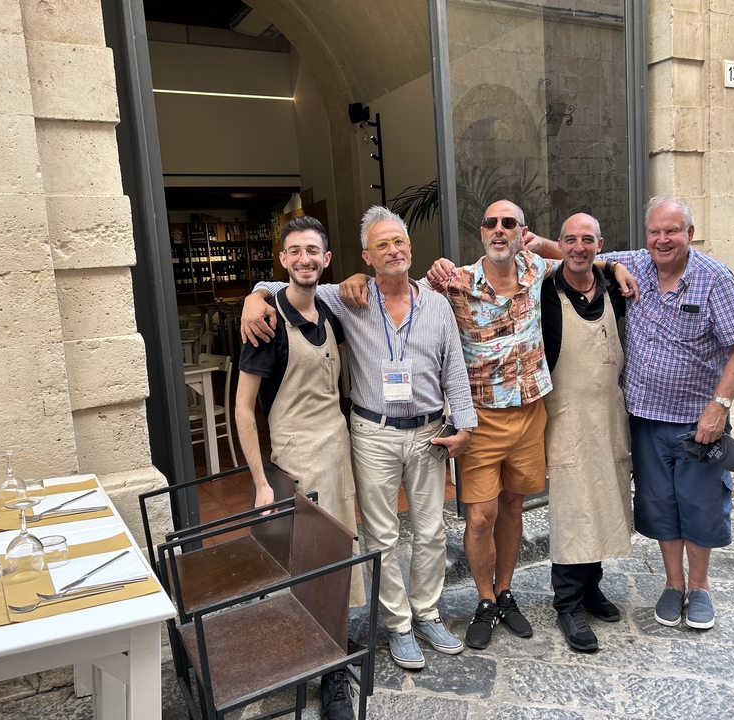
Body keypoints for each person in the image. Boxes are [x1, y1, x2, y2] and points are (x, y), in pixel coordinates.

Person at [343, 200, 635, 651]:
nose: (499, 230)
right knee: (480, 516)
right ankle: (483, 599)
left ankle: (504, 592)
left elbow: (577, 253)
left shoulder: (539, 269)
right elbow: (394, 278)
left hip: (531, 412)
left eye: (509, 224)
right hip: (479, 419)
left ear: (523, 232)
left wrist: (611, 264)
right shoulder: (450, 281)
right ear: (480, 232)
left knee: (514, 507)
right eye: (490, 223)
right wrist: (360, 277)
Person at [239, 206, 477, 672]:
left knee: (431, 530)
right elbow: (293, 283)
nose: (393, 251)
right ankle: (398, 625)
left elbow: (454, 367)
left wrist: (463, 424)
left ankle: (427, 613)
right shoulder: (349, 297)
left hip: (430, 433)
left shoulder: (438, 304)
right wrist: (254, 293)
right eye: (381, 245)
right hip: (372, 433)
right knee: (382, 535)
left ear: (410, 249)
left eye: (399, 242)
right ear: (366, 256)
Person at [598, 196, 734, 630]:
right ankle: (672, 584)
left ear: (689, 233)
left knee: (700, 506)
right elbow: (576, 253)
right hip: (645, 418)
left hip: (696, 422)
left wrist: (719, 407)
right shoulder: (636, 263)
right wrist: (534, 243)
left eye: (672, 231)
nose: (662, 240)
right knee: (660, 504)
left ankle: (700, 588)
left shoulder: (713, 278)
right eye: (655, 231)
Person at [235, 215, 362, 720]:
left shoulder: (331, 309)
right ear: (283, 260)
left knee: (340, 558)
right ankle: (328, 673)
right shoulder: (264, 324)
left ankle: (333, 647)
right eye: (295, 251)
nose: (305, 259)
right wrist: (261, 483)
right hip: (297, 461)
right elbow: (243, 408)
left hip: (338, 454)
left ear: (325, 260)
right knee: (310, 565)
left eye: (314, 251)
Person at [540, 213, 632, 652]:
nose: (578, 247)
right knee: (573, 510)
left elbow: (630, 260)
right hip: (568, 415)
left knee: (603, 498)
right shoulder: (544, 290)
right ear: (560, 244)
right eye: (570, 240)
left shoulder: (615, 285)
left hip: (609, 414)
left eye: (587, 240)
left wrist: (614, 266)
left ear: (600, 244)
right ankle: (568, 605)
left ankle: (592, 586)